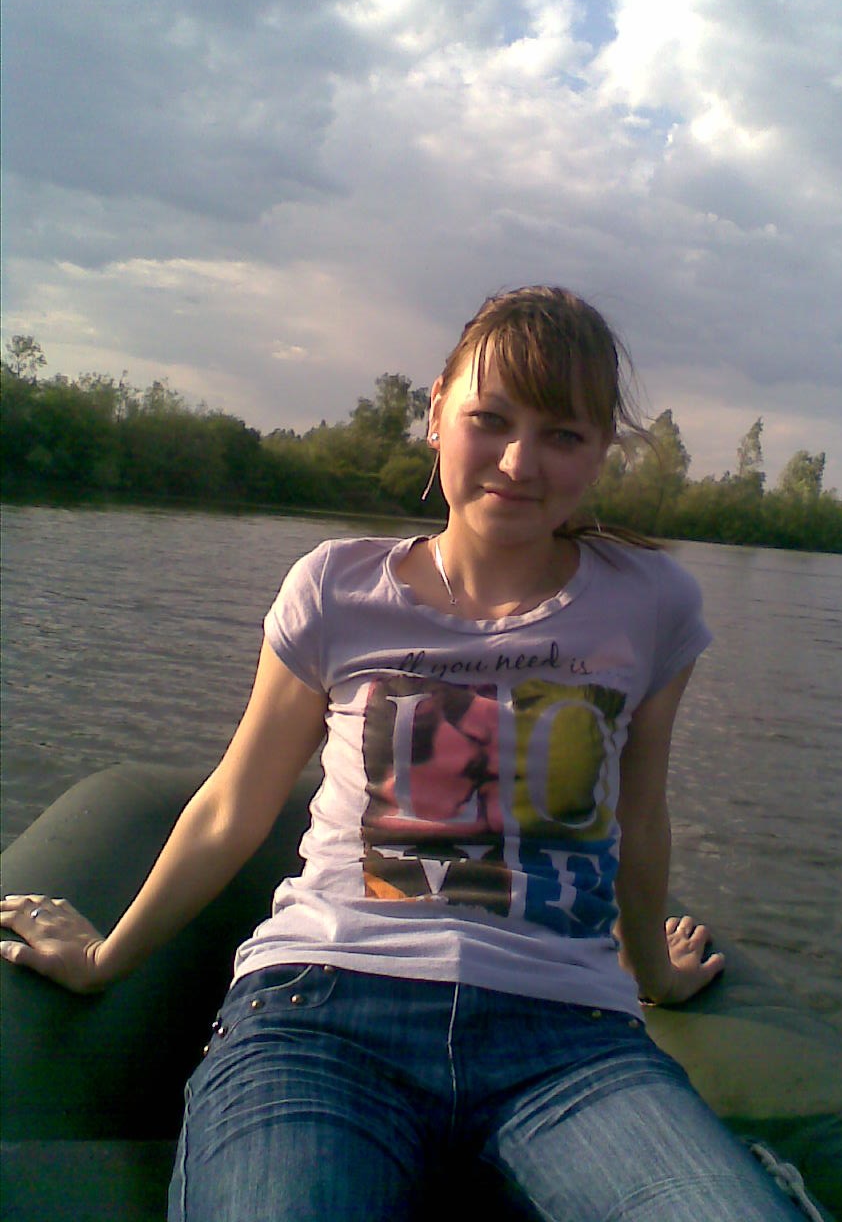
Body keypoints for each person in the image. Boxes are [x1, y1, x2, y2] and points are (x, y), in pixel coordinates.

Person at [0, 287, 800, 1221]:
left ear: (599, 454)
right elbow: (232, 807)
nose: (518, 462)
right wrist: (106, 959)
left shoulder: (651, 601)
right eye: (490, 420)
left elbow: (639, 813)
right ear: (435, 415)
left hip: (570, 1040)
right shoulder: (334, 585)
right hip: (321, 1013)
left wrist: (653, 975)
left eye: (562, 436)